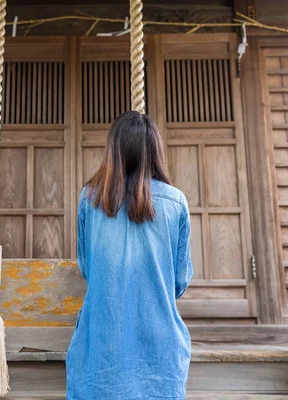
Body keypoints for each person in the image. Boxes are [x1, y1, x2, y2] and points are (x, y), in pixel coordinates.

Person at [66, 111, 193, 400]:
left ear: (114, 150)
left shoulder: (90, 198)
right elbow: (179, 280)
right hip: (162, 355)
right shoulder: (176, 202)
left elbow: (87, 267)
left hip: (100, 348)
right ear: (155, 152)